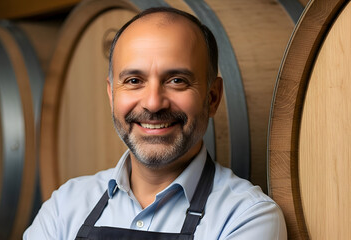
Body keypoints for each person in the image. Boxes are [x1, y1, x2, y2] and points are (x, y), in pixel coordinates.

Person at [24, 7, 286, 240]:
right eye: (134, 81)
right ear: (111, 95)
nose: (153, 103)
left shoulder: (246, 216)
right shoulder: (64, 206)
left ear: (213, 98)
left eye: (177, 80)